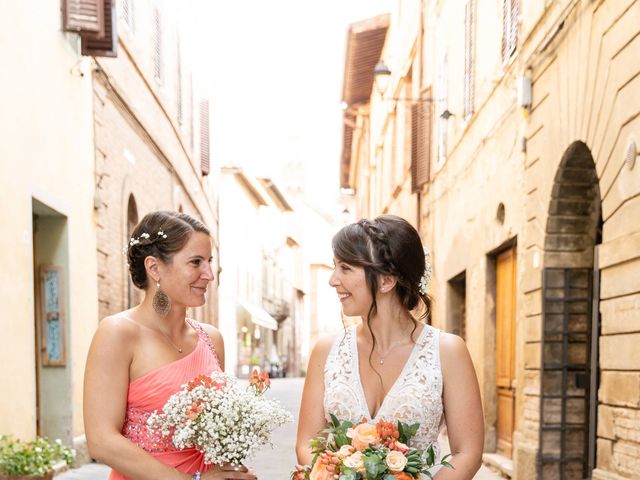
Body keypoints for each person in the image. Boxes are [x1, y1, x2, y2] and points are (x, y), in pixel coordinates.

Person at [296, 215, 484, 478]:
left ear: (386, 280)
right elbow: (306, 443)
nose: (333, 279)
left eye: (346, 268)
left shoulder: (448, 351)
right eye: (334, 266)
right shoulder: (326, 350)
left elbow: (468, 452)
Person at [84, 211, 256, 480]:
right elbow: (102, 441)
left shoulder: (212, 340)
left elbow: (218, 435)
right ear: (154, 268)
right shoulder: (118, 333)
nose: (209, 274)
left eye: (209, 261)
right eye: (196, 262)